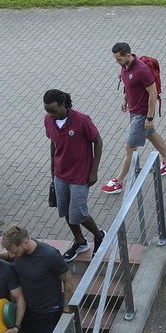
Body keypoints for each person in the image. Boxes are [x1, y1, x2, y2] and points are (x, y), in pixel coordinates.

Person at [103, 42, 166, 195]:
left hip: (142, 114)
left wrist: (149, 117)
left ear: (128, 55)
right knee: (151, 134)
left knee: (130, 147)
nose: (117, 62)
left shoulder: (142, 70)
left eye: (118, 59)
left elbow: (153, 93)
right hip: (134, 109)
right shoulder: (125, 66)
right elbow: (128, 83)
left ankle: (119, 181)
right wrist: (125, 98)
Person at [42, 89, 106, 261]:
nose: (50, 114)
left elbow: (98, 141)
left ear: (63, 105)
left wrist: (94, 170)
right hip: (61, 174)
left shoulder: (81, 120)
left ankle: (99, 235)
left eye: (53, 110)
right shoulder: (49, 120)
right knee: (66, 211)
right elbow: (53, 143)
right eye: (47, 110)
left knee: (78, 212)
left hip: (80, 175)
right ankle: (80, 241)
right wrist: (52, 167)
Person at [0, 224, 73, 333]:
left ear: (25, 243)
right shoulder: (19, 252)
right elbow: (9, 256)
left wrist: (67, 308)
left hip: (49, 311)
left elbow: (68, 280)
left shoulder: (50, 255)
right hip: (28, 310)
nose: (11, 255)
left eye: (14, 251)